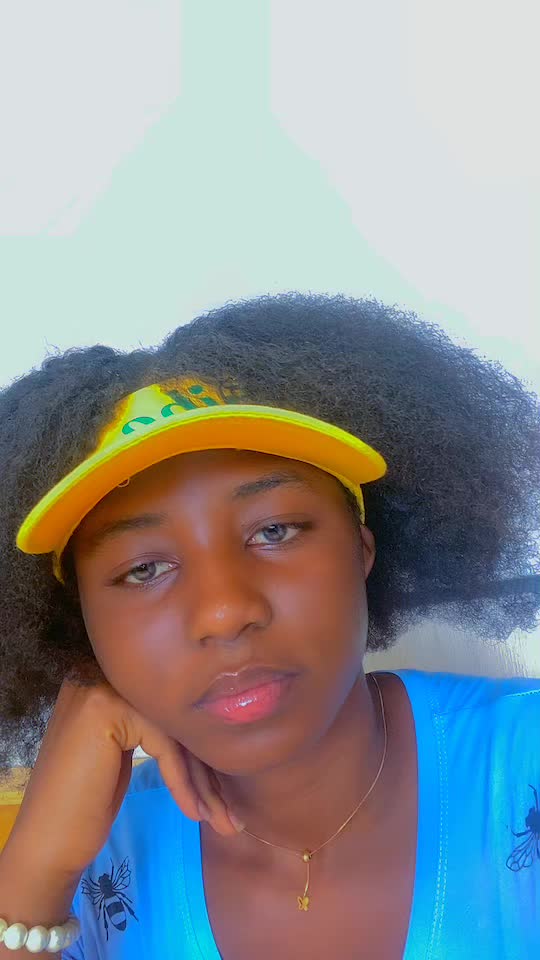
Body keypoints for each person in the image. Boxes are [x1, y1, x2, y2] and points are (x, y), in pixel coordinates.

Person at [0, 293, 538, 959]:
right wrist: (36, 872)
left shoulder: (523, 762)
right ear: (79, 626)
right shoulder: (85, 867)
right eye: (144, 569)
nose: (225, 610)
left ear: (363, 549)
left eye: (275, 531)